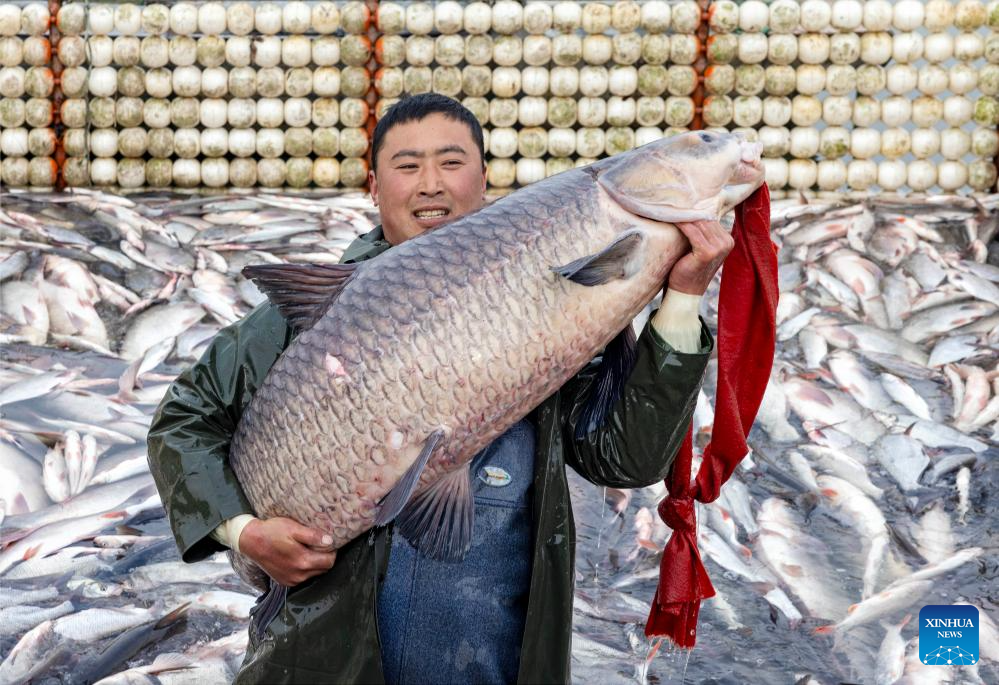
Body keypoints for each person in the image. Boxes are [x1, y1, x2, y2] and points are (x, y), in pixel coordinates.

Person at [147, 93, 733, 685]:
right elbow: (181, 423)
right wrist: (245, 533)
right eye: (407, 166)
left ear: (484, 178)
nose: (430, 184)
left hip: (500, 659)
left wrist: (681, 301)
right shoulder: (301, 319)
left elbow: (625, 459)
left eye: (451, 163)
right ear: (375, 188)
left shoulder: (564, 306)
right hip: (325, 662)